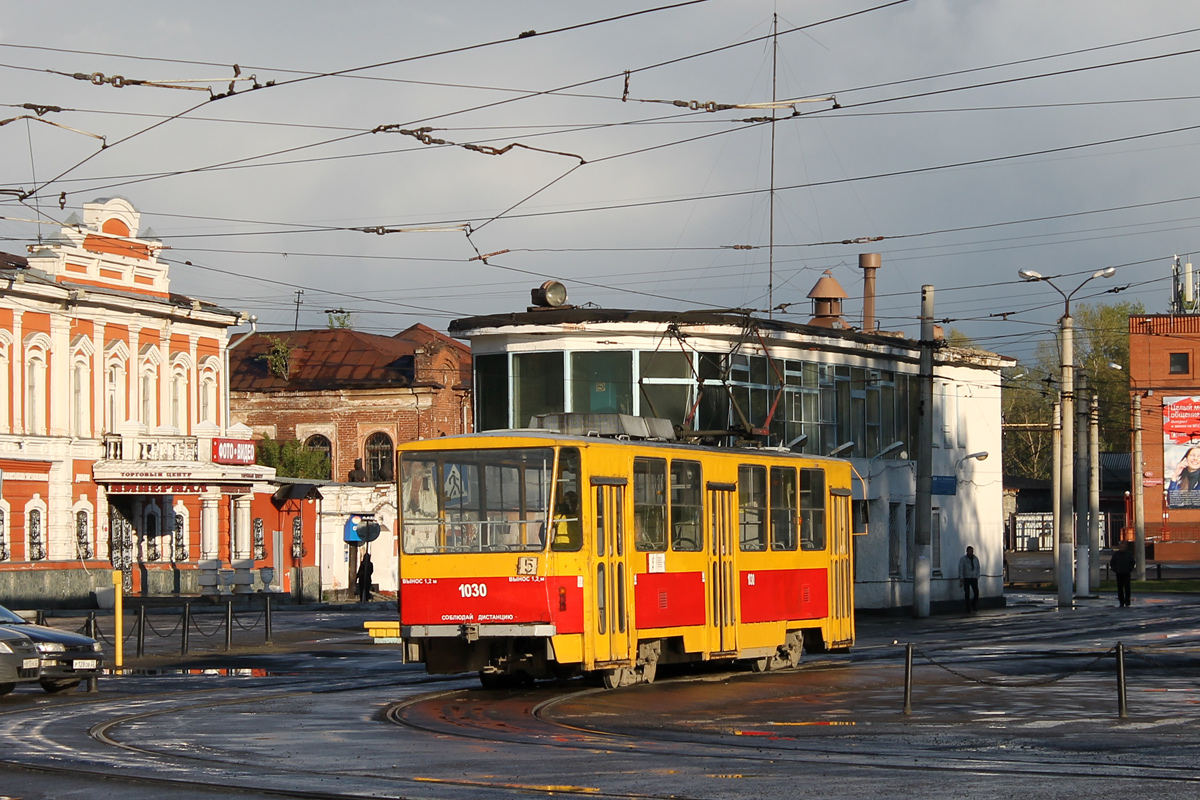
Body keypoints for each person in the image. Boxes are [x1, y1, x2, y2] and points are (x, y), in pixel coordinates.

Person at [1110, 539, 1135, 607]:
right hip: (1119, 573)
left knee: (1127, 587)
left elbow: (1132, 562)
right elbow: (1112, 563)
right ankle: (1121, 602)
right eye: (1121, 546)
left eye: (1123, 546)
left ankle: (1127, 601)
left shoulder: (1129, 554)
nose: (1122, 548)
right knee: (1120, 588)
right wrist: (1115, 569)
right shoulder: (1116, 554)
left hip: (1126, 572)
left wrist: (1129, 569)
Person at [958, 546, 980, 613]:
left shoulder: (975, 559)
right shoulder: (963, 559)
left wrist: (977, 575)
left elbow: (978, 567)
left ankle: (973, 604)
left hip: (974, 577)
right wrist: (961, 577)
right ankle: (968, 608)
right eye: (969, 551)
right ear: (967, 551)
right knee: (967, 593)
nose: (971, 553)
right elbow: (961, 568)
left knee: (976, 593)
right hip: (966, 577)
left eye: (972, 551)